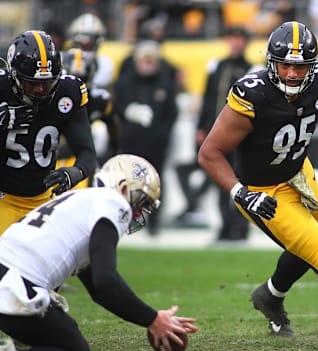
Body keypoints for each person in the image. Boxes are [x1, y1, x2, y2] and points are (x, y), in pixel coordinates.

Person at [198, 21, 318, 337]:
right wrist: (239, 193)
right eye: (285, 65)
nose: (291, 74)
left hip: (298, 172)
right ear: (272, 62)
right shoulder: (253, 94)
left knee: (315, 234)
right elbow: (209, 152)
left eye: (300, 67)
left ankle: (270, 296)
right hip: (262, 189)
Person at [0, 153, 199, 351]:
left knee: (73, 348)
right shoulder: (113, 203)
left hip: (7, 272)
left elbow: (99, 290)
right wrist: (153, 319)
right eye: (140, 203)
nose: (138, 214)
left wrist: (152, 317)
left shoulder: (86, 200)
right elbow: (106, 280)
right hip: (15, 283)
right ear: (123, 187)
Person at [0, 30, 96, 235]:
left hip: (43, 201)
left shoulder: (68, 92)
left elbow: (87, 153)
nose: (40, 90)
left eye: (47, 82)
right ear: (14, 76)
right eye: (32, 83)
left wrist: (74, 173)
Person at [177, 25, 253, 239]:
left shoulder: (251, 68)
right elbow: (208, 99)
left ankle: (240, 226)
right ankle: (225, 225)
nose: (236, 43)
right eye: (233, 38)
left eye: (239, 39)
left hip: (238, 135)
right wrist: (201, 127)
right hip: (217, 133)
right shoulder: (217, 66)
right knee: (221, 182)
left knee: (240, 179)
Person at [113, 39, 178, 236]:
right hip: (131, 142)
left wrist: (162, 133)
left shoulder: (165, 83)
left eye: (151, 60)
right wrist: (128, 114)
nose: (147, 64)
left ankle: (155, 221)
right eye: (144, 60)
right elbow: (116, 108)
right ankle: (128, 219)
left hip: (155, 144)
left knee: (156, 182)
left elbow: (171, 113)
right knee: (128, 182)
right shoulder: (125, 82)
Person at [67, 12, 115, 89]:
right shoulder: (64, 60)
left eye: (90, 44)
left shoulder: (105, 64)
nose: (86, 46)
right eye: (82, 43)